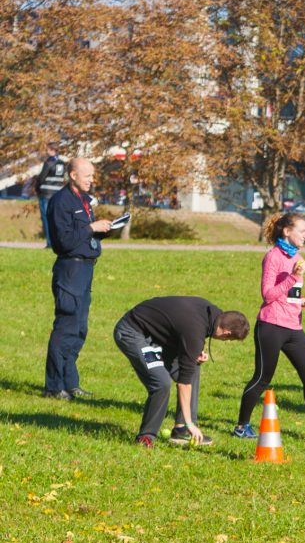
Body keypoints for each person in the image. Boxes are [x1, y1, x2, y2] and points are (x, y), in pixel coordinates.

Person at [113, 297, 249, 447]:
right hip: (133, 332)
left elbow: (182, 330)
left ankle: (181, 430)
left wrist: (193, 353)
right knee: (161, 382)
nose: (227, 342)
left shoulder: (214, 315)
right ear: (226, 333)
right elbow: (183, 383)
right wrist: (191, 423)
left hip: (158, 335)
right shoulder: (195, 328)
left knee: (193, 368)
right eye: (229, 339)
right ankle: (146, 437)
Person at [233, 213, 305, 439]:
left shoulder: (297, 258)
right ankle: (241, 426)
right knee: (263, 378)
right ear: (287, 231)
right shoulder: (273, 257)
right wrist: (293, 277)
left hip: (294, 328)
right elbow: (268, 294)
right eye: (302, 231)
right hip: (271, 326)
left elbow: (291, 295)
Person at [43, 158, 112, 400]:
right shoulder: (61, 202)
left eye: (92, 175)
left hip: (85, 270)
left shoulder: (83, 200)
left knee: (79, 329)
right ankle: (53, 387)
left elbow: (82, 235)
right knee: (65, 328)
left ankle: (71, 383)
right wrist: (91, 228)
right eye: (87, 175)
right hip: (69, 271)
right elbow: (63, 241)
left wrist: (102, 230)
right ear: (73, 175)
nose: (92, 180)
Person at [35, 143, 66, 248]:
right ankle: (58, 241)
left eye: (47, 150)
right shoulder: (62, 163)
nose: (46, 152)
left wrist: (37, 189)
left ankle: (50, 243)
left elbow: (41, 178)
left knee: (47, 219)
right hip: (57, 194)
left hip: (46, 194)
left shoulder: (48, 163)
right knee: (56, 219)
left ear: (53, 150)